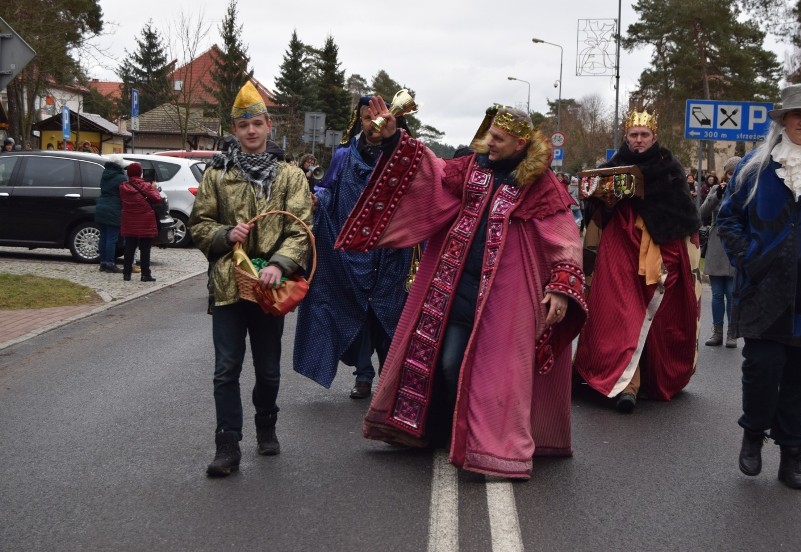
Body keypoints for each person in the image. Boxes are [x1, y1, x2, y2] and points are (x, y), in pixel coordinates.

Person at [336, 101, 587, 479]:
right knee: (450, 363)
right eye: (489, 136)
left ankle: (489, 446)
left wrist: (561, 287)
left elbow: (565, 239)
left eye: (499, 139)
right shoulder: (471, 168)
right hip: (452, 291)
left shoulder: (540, 185)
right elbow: (429, 171)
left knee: (495, 376)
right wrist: (393, 139)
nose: (490, 143)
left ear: (520, 144)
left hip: (505, 301)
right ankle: (447, 430)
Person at [716, 84, 801, 490]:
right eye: (797, 115)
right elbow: (728, 220)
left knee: (800, 378)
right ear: (784, 120)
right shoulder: (753, 168)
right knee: (762, 368)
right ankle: (753, 434)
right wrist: (750, 258)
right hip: (763, 288)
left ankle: (792, 453)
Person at [188, 81, 313, 478]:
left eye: (257, 124)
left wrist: (280, 263)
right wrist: (227, 235)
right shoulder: (217, 174)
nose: (252, 132)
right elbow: (199, 224)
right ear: (235, 130)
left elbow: (301, 228)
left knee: (269, 368)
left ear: (268, 125)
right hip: (229, 285)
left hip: (271, 287)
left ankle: (267, 426)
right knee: (226, 368)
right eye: (244, 127)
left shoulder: (291, 176)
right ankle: (227, 445)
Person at [574, 109, 702, 413]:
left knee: (656, 320)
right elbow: (593, 210)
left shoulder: (670, 169)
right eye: (634, 135)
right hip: (619, 249)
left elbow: (684, 215)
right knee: (619, 313)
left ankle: (648, 379)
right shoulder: (612, 166)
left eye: (644, 135)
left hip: (660, 252)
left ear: (654, 137)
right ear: (627, 138)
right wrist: (603, 198)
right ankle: (624, 383)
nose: (639, 140)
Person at [293, 97, 414, 399]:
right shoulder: (344, 156)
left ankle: (389, 376)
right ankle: (363, 375)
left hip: (391, 252)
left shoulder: (401, 155)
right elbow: (329, 189)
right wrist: (317, 199)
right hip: (352, 253)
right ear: (358, 121)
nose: (372, 124)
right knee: (358, 312)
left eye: (378, 117)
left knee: (389, 312)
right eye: (365, 118)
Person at [699, 157, 740, 348]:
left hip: (736, 245)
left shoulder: (747, 191)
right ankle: (717, 332)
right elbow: (702, 212)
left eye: (737, 173)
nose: (733, 177)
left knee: (732, 293)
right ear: (725, 174)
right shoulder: (717, 190)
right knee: (716, 293)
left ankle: (732, 333)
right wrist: (718, 195)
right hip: (717, 243)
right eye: (730, 173)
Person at [119, 162, 162, 282]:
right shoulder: (146, 186)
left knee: (129, 247)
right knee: (145, 248)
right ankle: (145, 274)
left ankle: (126, 273)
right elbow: (157, 199)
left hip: (129, 220)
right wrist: (154, 188)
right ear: (140, 172)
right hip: (145, 221)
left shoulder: (123, 187)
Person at [94, 155, 127, 273]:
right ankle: (110, 263)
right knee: (112, 238)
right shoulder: (121, 177)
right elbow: (124, 194)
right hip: (114, 208)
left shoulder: (105, 174)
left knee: (103, 236)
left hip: (101, 206)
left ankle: (103, 263)